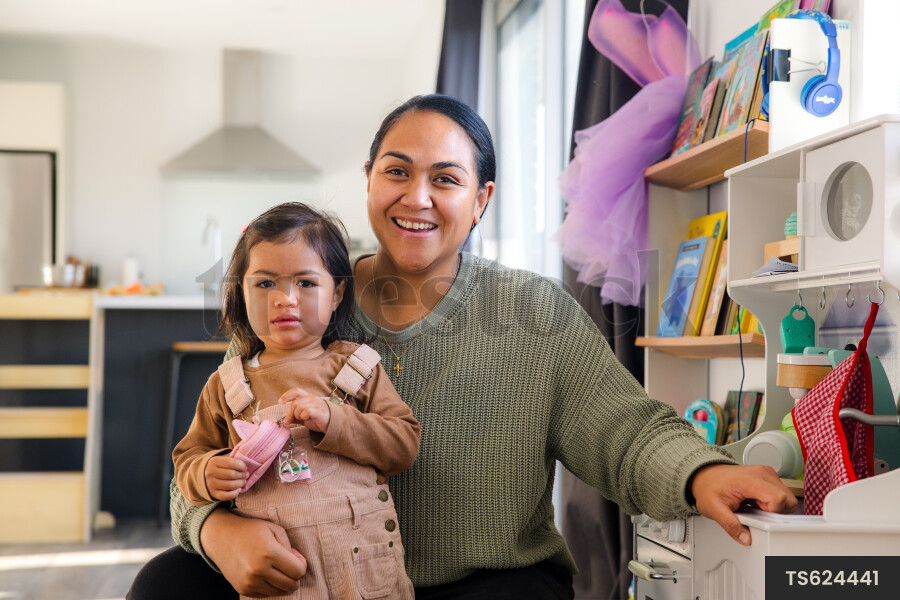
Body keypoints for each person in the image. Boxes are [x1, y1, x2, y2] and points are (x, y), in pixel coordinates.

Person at [128, 94, 796, 600]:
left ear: (481, 200)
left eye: (446, 179)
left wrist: (702, 473)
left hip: (486, 582)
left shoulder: (533, 310)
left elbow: (625, 431)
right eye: (397, 171)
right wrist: (219, 529)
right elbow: (202, 459)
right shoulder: (298, 303)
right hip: (314, 577)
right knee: (165, 584)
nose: (416, 197)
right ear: (368, 181)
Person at [170, 202, 419, 599]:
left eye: (305, 283)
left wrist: (335, 420)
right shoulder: (227, 384)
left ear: (337, 293)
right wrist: (205, 472)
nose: (285, 299)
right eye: (266, 284)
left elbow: (403, 444)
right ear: (241, 292)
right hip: (282, 581)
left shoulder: (359, 367)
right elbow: (188, 456)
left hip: (366, 574)